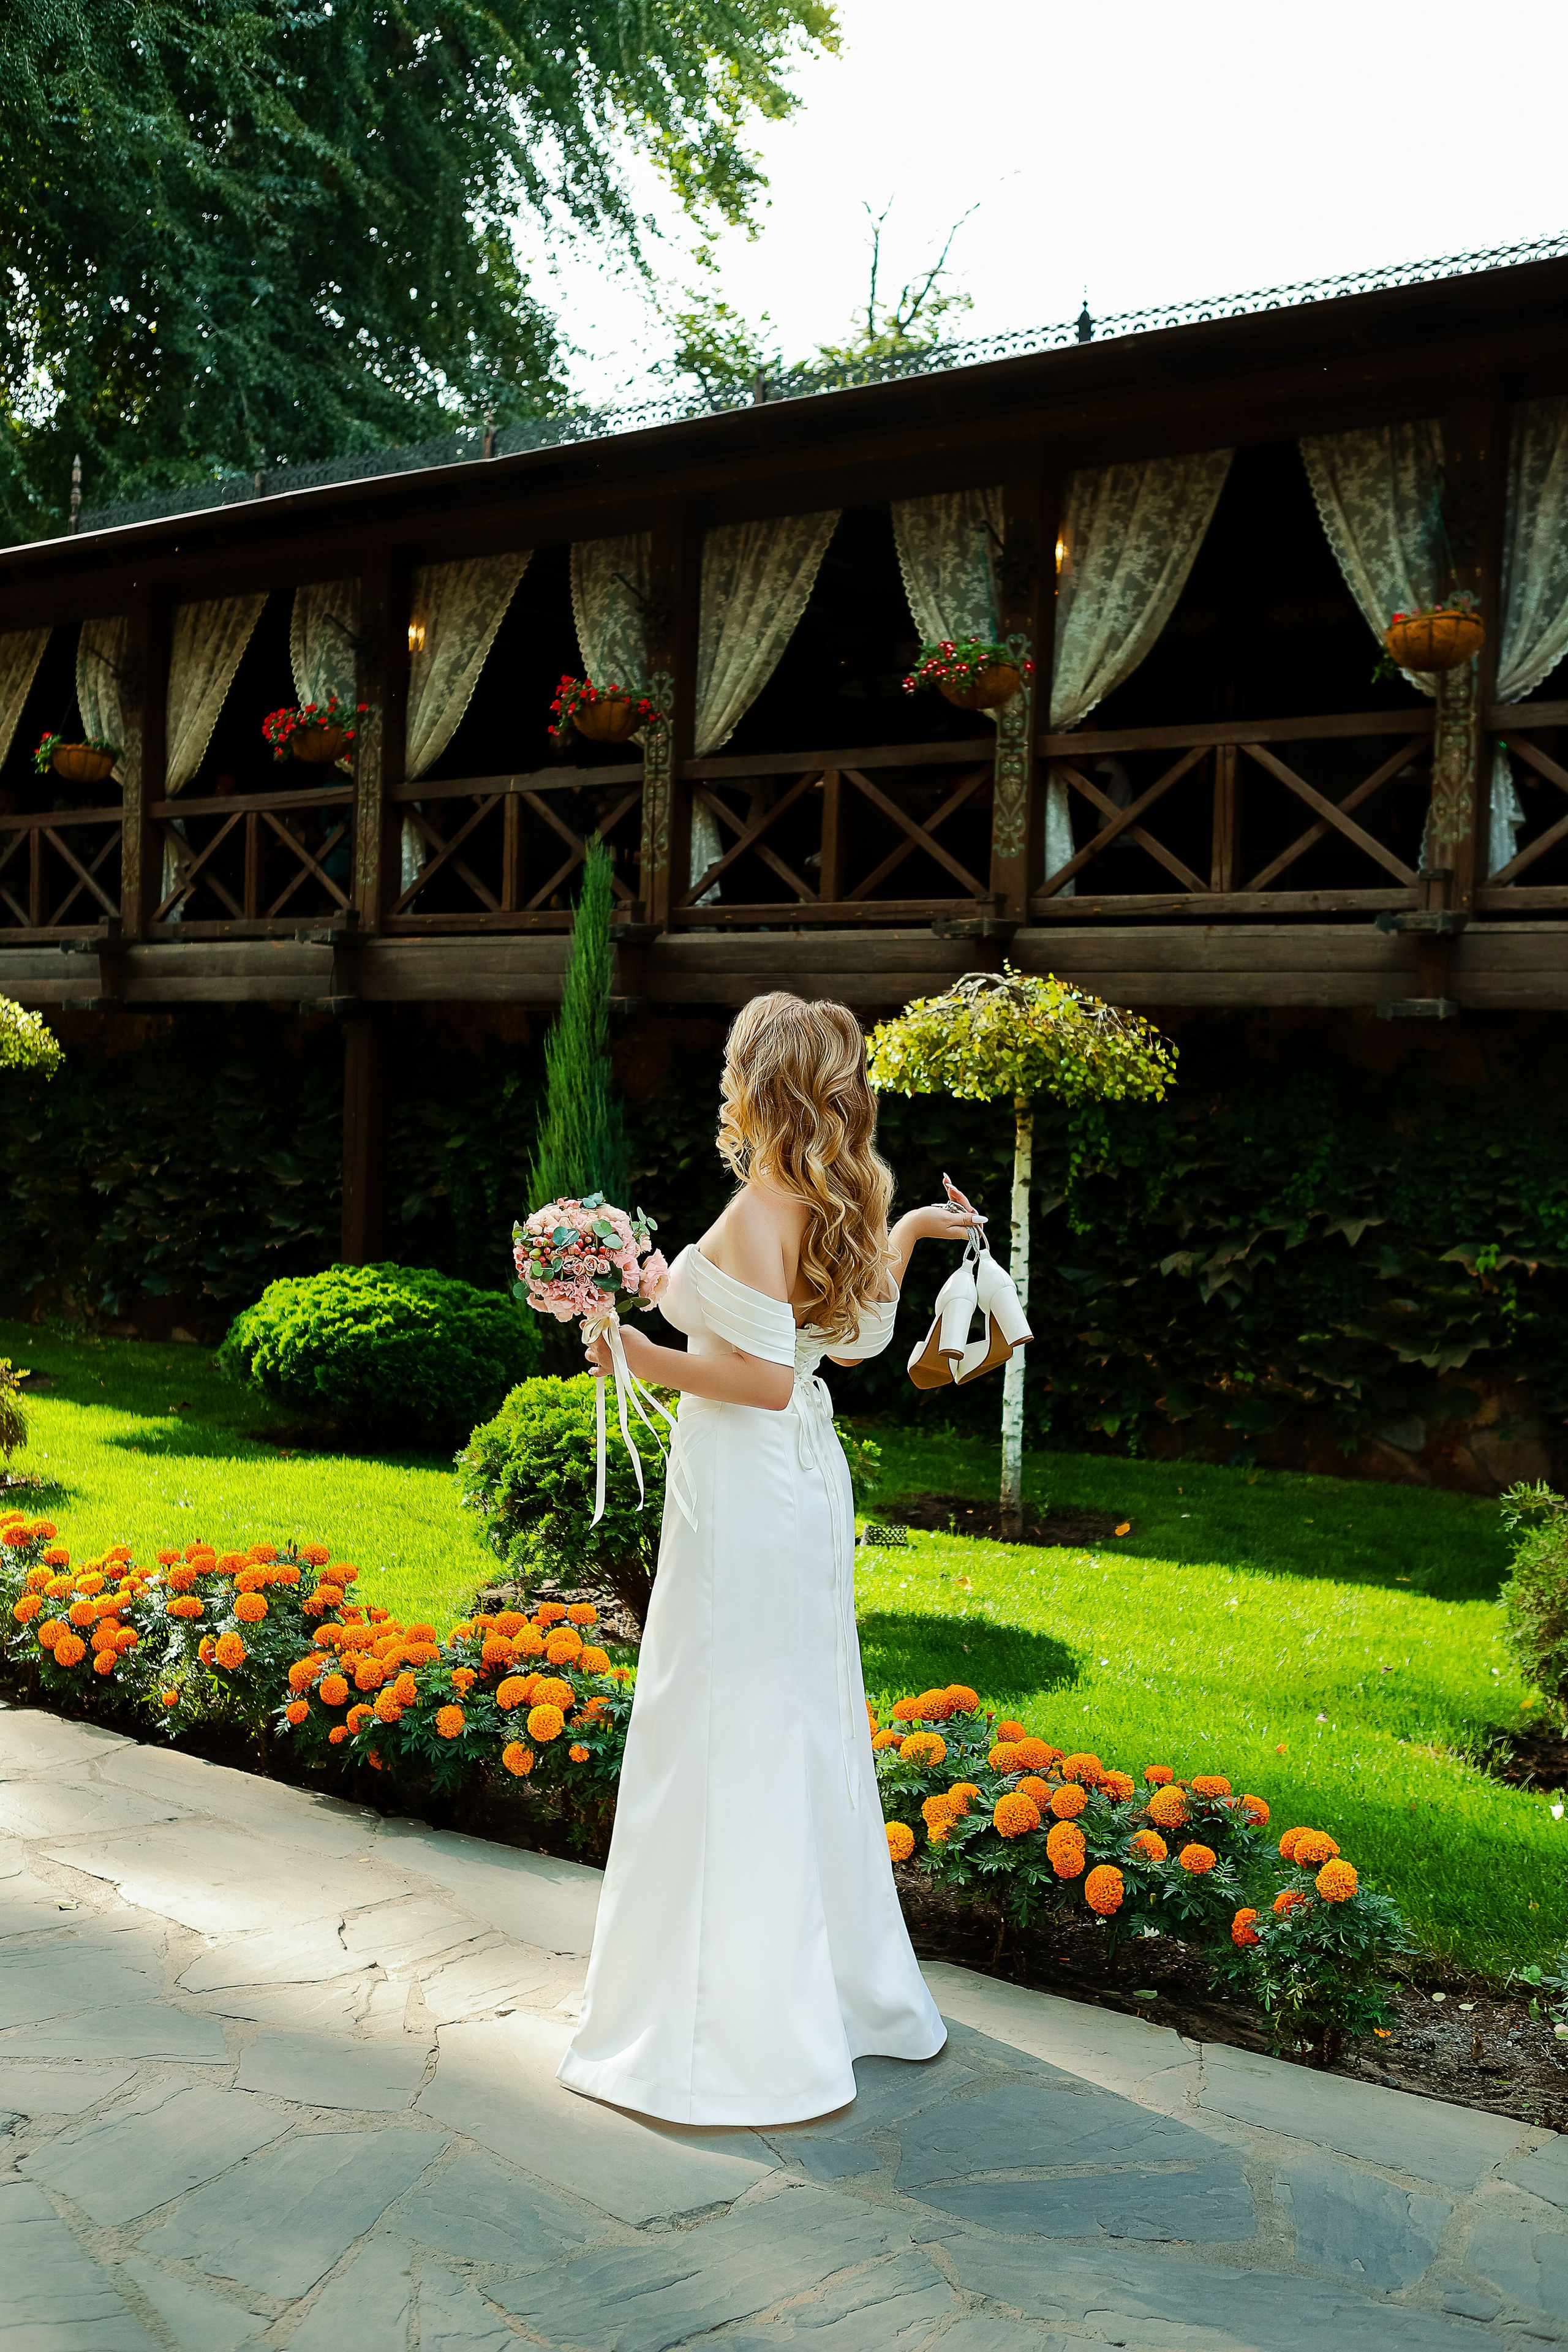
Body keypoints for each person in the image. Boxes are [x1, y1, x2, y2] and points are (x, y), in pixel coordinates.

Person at [557, 990, 982, 2127]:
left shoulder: (758, 1203)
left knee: (722, 1712)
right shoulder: (843, 1201)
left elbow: (764, 1376)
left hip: (747, 1477)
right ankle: (835, 1989)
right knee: (799, 1709)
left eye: (736, 1064)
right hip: (802, 1482)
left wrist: (644, 1356)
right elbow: (847, 1333)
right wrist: (909, 1236)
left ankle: (733, 2014)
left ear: (758, 1082)